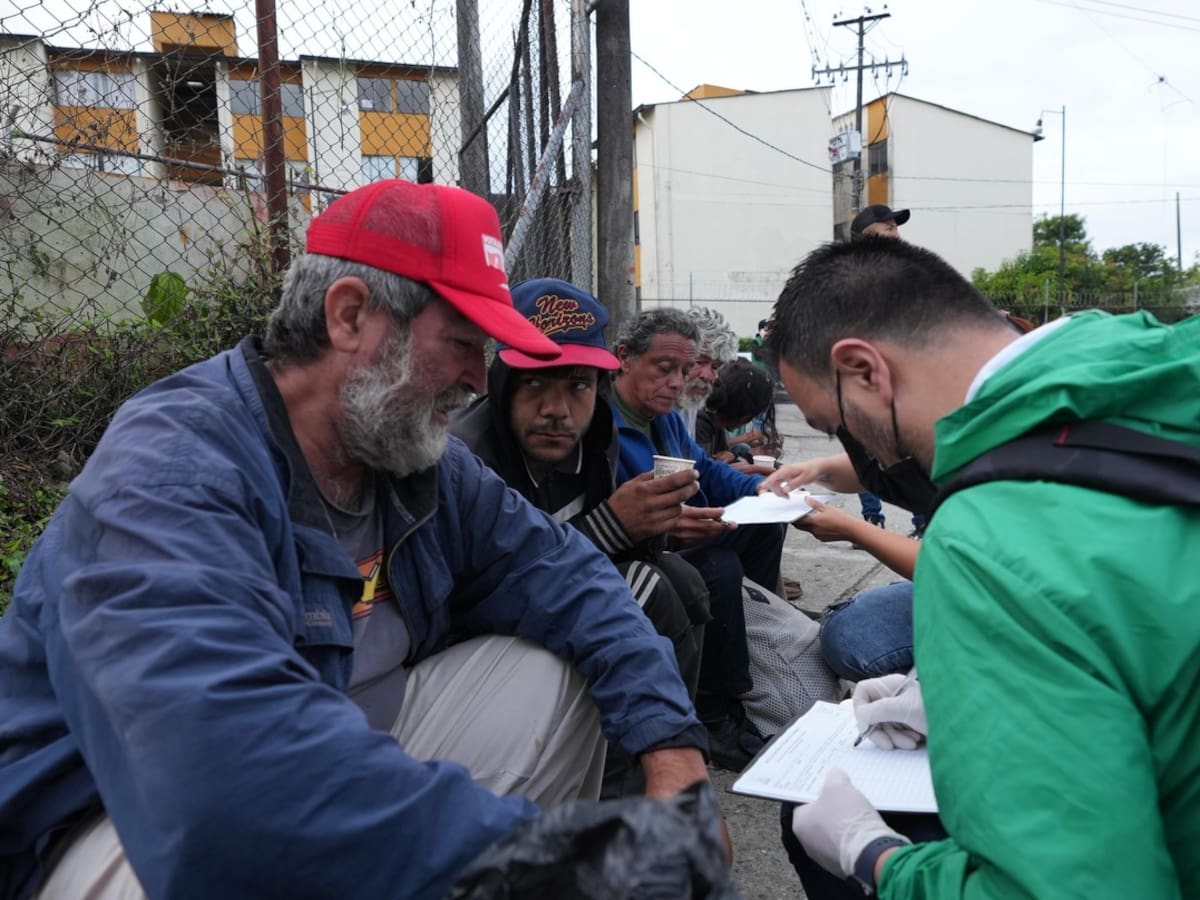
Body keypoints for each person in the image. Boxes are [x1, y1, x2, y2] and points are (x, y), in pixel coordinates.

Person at [0, 180, 716, 900]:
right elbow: (224, 788)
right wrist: (565, 868)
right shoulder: (172, 470)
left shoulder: (415, 459)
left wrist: (673, 753)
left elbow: (570, 576)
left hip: (332, 763)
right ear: (348, 316)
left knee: (552, 667)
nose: (478, 377)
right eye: (465, 342)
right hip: (123, 826)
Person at [768, 237, 1200, 897]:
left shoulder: (984, 538)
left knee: (808, 816)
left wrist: (873, 855)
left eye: (837, 426)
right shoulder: (1156, 367)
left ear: (864, 370)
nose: (849, 446)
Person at [450, 277, 711, 794]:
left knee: (685, 577)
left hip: (553, 595)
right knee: (649, 592)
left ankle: (670, 751)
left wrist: (655, 522)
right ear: (502, 379)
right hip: (473, 640)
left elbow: (616, 539)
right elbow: (483, 586)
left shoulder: (592, 439)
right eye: (535, 382)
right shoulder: (465, 458)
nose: (557, 409)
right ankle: (609, 790)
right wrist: (613, 525)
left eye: (578, 385)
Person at [609, 308, 787, 772]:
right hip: (634, 548)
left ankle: (754, 631)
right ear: (624, 358)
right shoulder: (604, 420)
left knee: (767, 522)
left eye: (685, 370)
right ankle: (713, 711)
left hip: (670, 532)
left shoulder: (663, 416)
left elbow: (702, 470)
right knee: (715, 568)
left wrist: (763, 491)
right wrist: (668, 526)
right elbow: (617, 514)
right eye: (665, 369)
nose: (679, 380)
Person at [694, 358, 774, 468]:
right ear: (745, 417)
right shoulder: (701, 423)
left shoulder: (716, 426)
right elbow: (700, 471)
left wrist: (734, 454)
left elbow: (722, 454)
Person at [675, 306, 739, 438]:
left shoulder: (689, 400)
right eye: (699, 361)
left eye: (715, 367)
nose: (707, 376)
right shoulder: (655, 405)